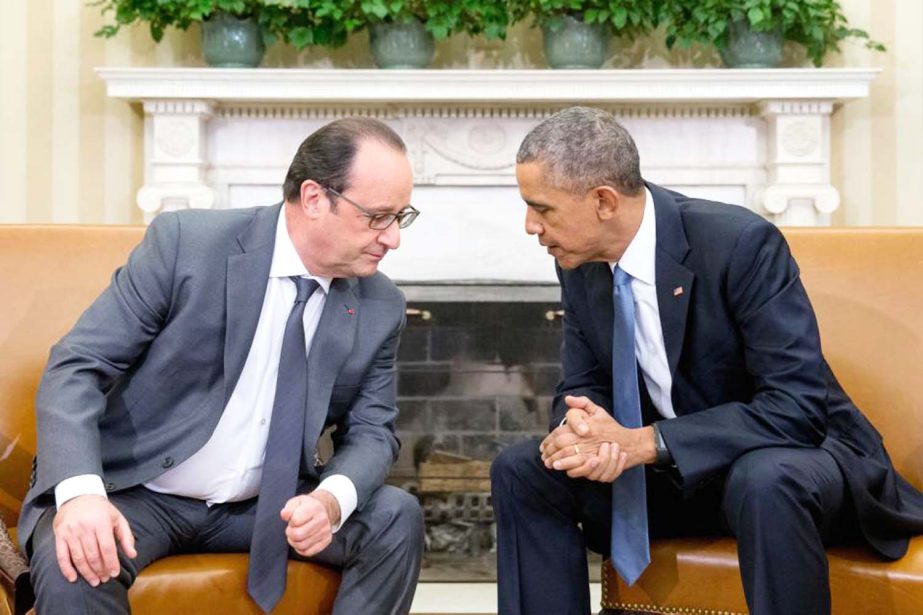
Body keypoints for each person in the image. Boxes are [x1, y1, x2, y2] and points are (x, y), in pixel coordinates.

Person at [490, 106, 923, 615]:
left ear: (603, 200)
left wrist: (645, 443)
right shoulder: (580, 264)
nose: (529, 226)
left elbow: (797, 408)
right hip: (682, 477)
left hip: (790, 463)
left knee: (765, 479)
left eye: (542, 208)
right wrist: (581, 432)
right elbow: (583, 384)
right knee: (524, 468)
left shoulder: (739, 244)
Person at [19, 117, 425, 614]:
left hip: (266, 507)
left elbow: (373, 432)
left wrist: (329, 502)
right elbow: (77, 366)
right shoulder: (188, 245)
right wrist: (81, 494)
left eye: (399, 218)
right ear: (316, 198)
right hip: (142, 493)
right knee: (77, 561)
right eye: (377, 217)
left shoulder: (379, 304)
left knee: (395, 516)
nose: (392, 238)